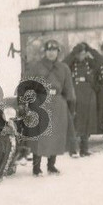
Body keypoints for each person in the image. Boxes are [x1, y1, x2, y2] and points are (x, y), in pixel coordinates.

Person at [24, 39, 75, 175]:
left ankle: (51, 165)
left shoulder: (64, 68)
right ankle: (36, 167)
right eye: (48, 50)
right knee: (39, 135)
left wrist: (70, 105)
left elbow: (68, 88)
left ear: (58, 52)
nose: (51, 53)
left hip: (58, 104)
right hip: (41, 102)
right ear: (45, 52)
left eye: (54, 50)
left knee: (56, 135)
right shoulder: (37, 66)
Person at [68, 42, 99, 156]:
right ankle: (72, 150)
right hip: (75, 92)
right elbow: (63, 64)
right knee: (75, 122)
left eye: (83, 53)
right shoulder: (72, 63)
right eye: (79, 54)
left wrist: (90, 49)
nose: (81, 56)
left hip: (87, 93)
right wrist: (72, 53)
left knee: (86, 121)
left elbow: (101, 62)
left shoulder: (89, 62)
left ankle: (84, 149)